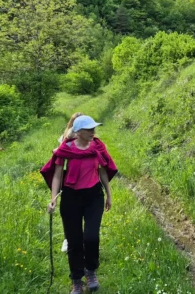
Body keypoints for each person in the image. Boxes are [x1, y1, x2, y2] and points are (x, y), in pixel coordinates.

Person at [41, 115, 118, 294]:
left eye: (94, 129)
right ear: (78, 132)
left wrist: (108, 194)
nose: (93, 132)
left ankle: (90, 271)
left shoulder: (97, 147)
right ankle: (76, 280)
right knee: (74, 241)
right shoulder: (66, 149)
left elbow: (103, 171)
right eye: (89, 129)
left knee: (91, 237)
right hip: (71, 198)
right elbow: (58, 175)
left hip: (93, 196)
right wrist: (54, 198)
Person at [58, 112, 83, 253]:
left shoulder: (88, 137)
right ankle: (67, 238)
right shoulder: (67, 136)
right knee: (68, 212)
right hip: (70, 179)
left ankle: (78, 239)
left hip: (85, 179)